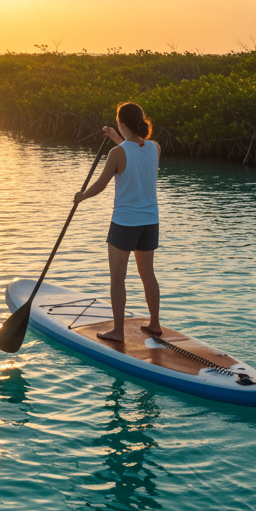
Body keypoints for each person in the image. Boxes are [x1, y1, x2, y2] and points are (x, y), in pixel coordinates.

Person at [73, 102, 162, 343]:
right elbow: (134, 155)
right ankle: (154, 324)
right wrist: (115, 136)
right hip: (149, 222)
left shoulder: (117, 153)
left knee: (117, 278)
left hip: (124, 222)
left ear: (122, 123)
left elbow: (101, 184)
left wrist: (82, 196)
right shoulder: (155, 148)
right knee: (148, 274)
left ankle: (118, 331)